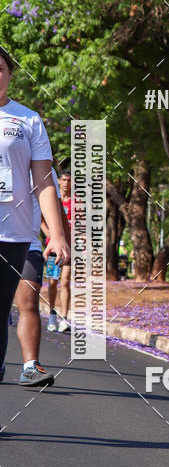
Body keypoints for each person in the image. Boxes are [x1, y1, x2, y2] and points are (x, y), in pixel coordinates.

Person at [0, 46, 70, 384]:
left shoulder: (27, 120)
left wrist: (56, 235)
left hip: (19, 236)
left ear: (10, 74)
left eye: (0, 68)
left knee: (20, 303)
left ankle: (28, 365)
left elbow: (45, 185)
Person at [13, 168, 69, 387]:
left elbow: (55, 207)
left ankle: (30, 366)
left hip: (29, 245)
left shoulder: (44, 169)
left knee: (28, 303)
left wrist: (64, 240)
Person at [44, 169, 72, 332]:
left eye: (70, 180)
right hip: (53, 247)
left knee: (66, 281)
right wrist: (51, 235)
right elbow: (41, 219)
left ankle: (64, 317)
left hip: (70, 247)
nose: (67, 183)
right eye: (64, 180)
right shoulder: (52, 199)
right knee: (53, 281)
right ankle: (52, 315)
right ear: (59, 181)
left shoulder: (77, 202)